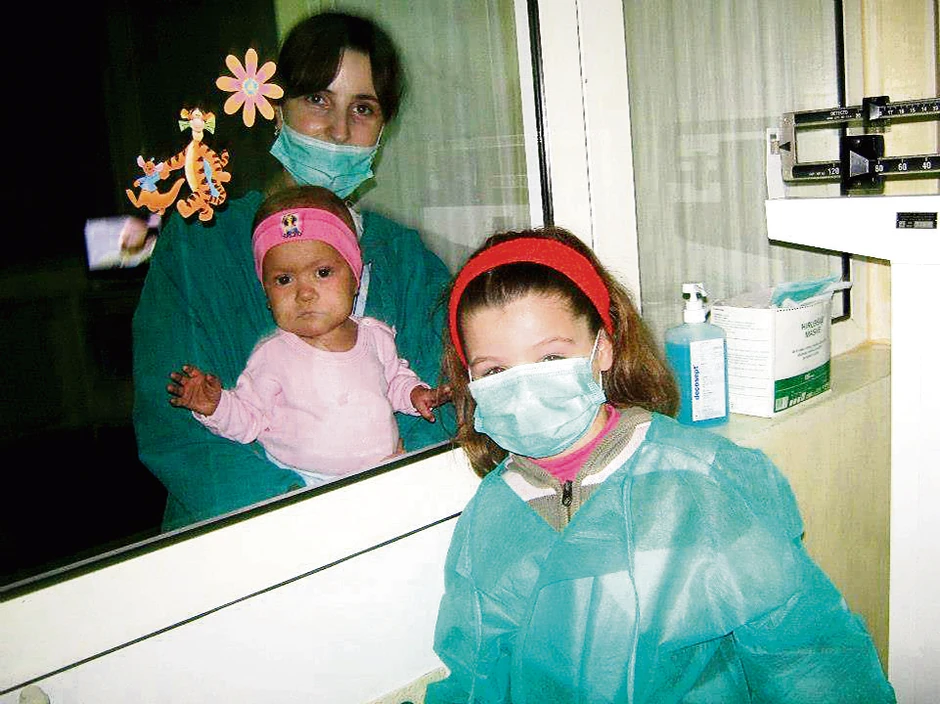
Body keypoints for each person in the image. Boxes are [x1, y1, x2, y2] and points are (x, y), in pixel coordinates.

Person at [425, 227, 895, 703]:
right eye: (495, 371)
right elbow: (474, 680)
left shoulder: (704, 479)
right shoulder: (491, 516)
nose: (525, 387)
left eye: (549, 357)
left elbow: (805, 654)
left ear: (602, 348)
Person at [132, 11, 453, 529]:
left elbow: (445, 402)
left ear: (382, 130)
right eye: (317, 100)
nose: (339, 131)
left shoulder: (405, 260)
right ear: (277, 109)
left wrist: (385, 501)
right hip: (244, 539)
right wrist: (302, 516)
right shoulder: (200, 247)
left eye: (363, 109)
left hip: (389, 527)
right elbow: (178, 428)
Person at [166, 186, 449, 487]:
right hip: (308, 488)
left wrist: (415, 394)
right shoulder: (272, 356)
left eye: (323, 273)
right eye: (284, 279)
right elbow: (249, 418)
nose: (304, 293)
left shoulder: (376, 337)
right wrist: (216, 405)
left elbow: (393, 381)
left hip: (383, 473)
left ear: (354, 278)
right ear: (267, 294)